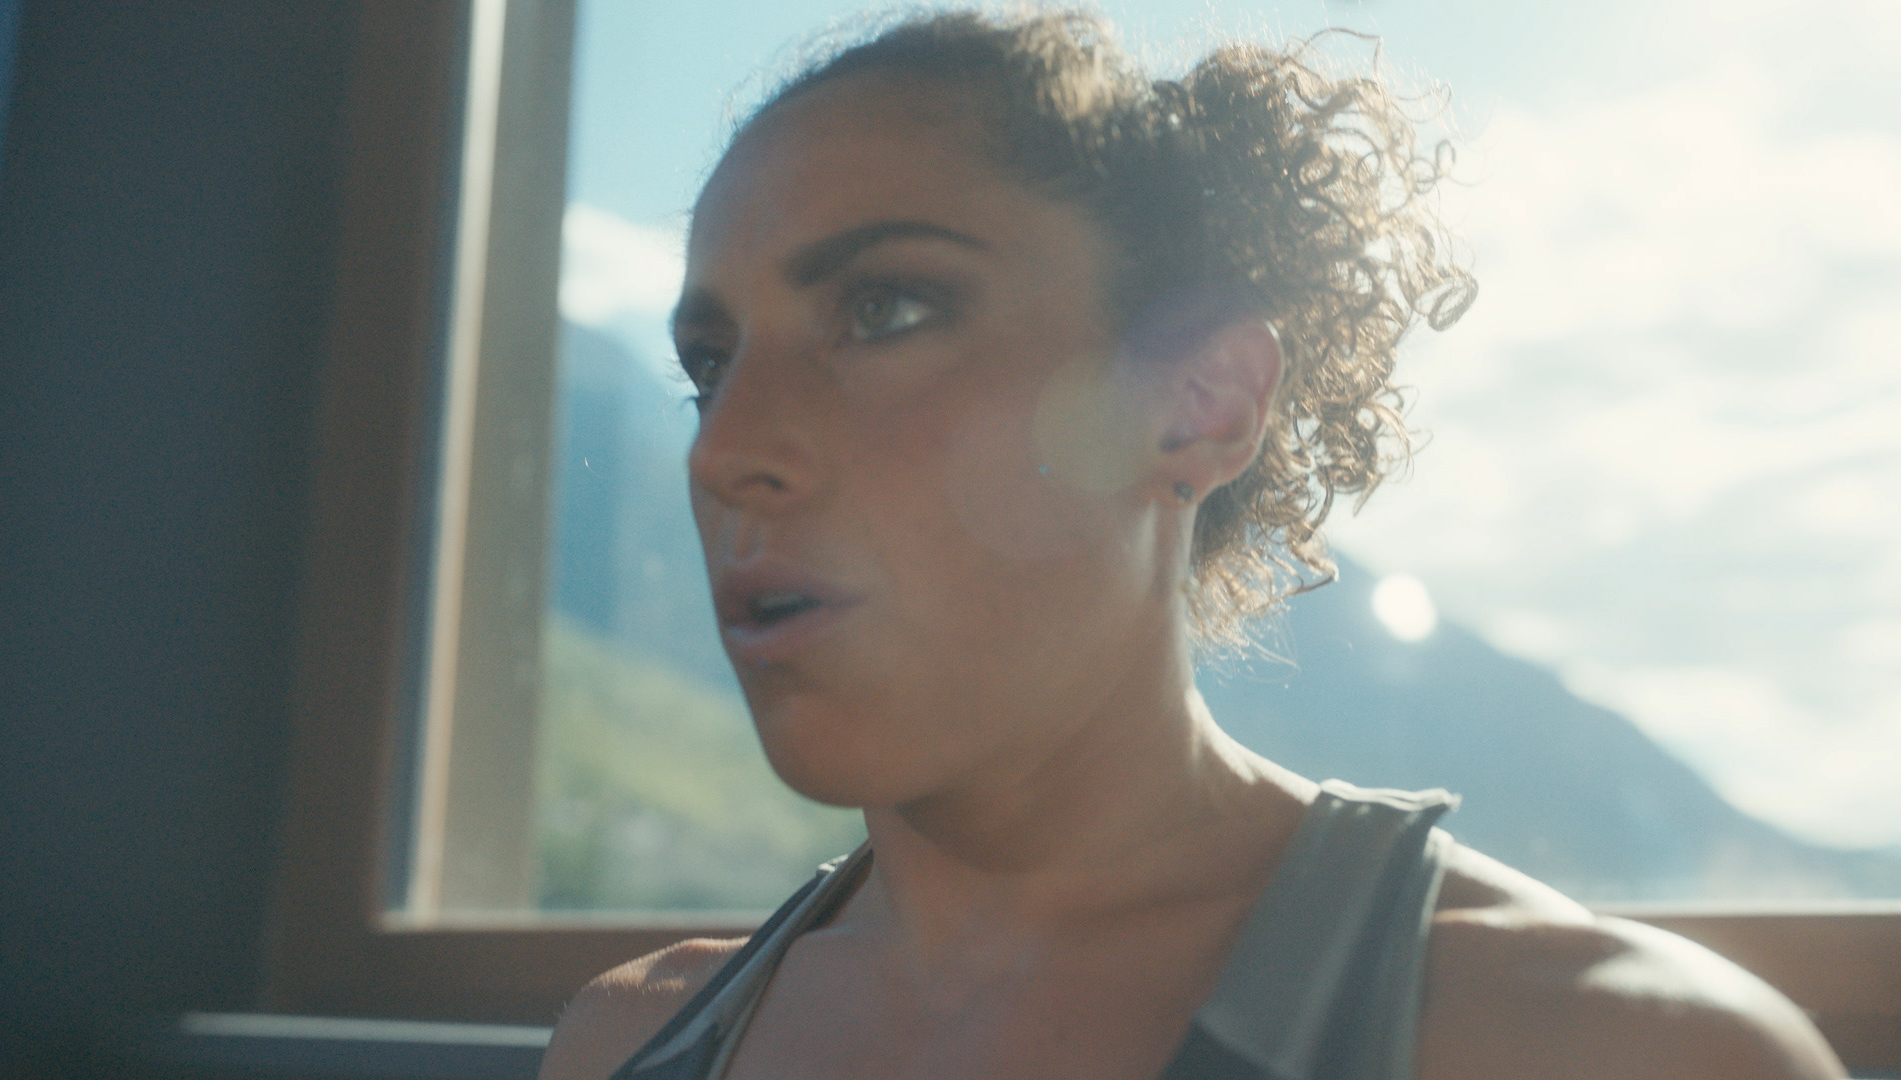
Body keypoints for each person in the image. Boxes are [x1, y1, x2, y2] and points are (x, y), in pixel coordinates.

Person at [538, 9, 1846, 1079]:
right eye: (711, 364)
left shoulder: (1612, 1049)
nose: (725, 450)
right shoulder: (623, 1043)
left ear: (1199, 403)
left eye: (884, 308)